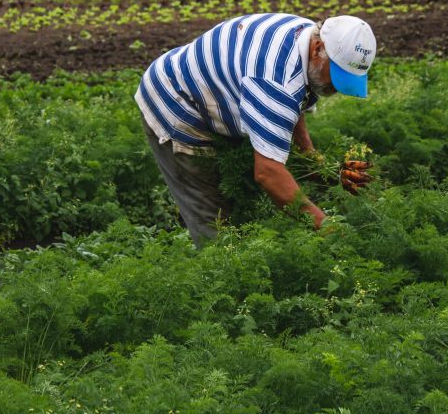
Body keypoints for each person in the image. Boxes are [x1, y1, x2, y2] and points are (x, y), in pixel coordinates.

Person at [135, 13, 376, 246]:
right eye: (336, 75)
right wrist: (327, 227)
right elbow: (268, 173)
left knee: (237, 196)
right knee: (215, 221)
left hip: (217, 91)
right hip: (176, 102)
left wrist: (308, 155)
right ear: (317, 50)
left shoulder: (307, 35)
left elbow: (294, 103)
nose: (336, 87)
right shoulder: (274, 81)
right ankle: (215, 271)